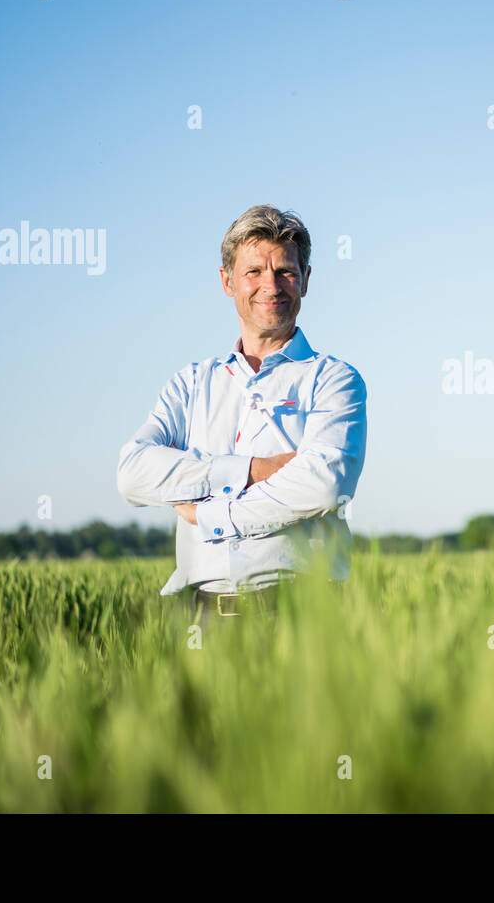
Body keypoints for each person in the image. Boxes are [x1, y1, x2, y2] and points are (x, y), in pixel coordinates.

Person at [116, 205, 367, 627]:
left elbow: (323, 487)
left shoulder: (334, 379)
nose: (271, 285)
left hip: (303, 616)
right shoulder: (190, 384)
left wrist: (208, 512)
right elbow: (133, 475)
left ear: (306, 280)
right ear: (227, 280)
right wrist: (254, 470)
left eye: (285, 271)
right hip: (198, 618)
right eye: (253, 272)